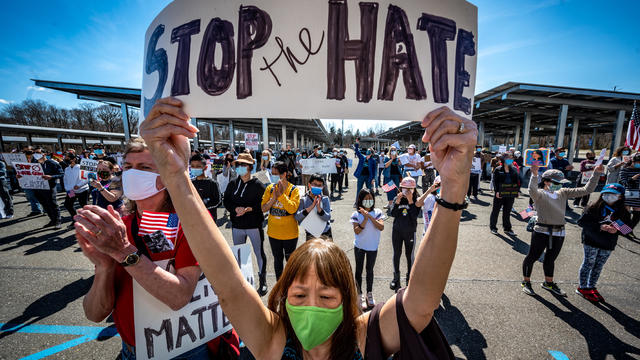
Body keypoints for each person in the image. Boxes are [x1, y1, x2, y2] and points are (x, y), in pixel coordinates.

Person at [141, 98, 475, 360]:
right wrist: (175, 176)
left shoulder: (364, 338)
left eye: (327, 296)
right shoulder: (273, 339)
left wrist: (454, 185)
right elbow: (227, 284)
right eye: (299, 295)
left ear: (348, 301)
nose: (311, 307)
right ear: (283, 298)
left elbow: (421, 302)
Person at [75, 138, 212, 359]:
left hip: (184, 350)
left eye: (144, 167)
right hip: (131, 349)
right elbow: (94, 313)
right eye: (128, 167)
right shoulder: (120, 226)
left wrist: (123, 252)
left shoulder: (190, 223)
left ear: (166, 175)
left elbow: (179, 297)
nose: (132, 174)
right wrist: (103, 266)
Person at [522, 162, 603, 296]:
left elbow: (586, 190)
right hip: (542, 230)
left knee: (550, 258)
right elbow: (532, 191)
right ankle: (526, 282)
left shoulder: (563, 192)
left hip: (559, 231)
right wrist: (534, 175)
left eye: (561, 182)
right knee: (533, 256)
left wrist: (596, 174)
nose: (560, 184)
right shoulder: (540, 193)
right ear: (546, 181)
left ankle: (548, 283)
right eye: (556, 182)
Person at [576, 183, 630, 302]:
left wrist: (616, 228)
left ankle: (591, 286)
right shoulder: (593, 207)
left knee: (599, 265)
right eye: (606, 193)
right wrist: (599, 227)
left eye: (613, 194)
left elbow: (627, 230)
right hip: (591, 240)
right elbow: (581, 222)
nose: (609, 196)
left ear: (620, 197)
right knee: (588, 263)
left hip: (608, 243)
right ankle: (582, 287)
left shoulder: (623, 211)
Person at [224, 152, 269, 296]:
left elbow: (264, 204)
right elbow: (226, 201)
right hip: (237, 225)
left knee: (258, 253)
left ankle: (262, 281)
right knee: (238, 254)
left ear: (250, 167)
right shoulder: (232, 184)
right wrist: (234, 208)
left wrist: (251, 209)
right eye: (238, 165)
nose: (240, 167)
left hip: (254, 225)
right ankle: (242, 281)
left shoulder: (258, 185)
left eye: (243, 165)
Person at [261, 161, 301, 280]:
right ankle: (279, 283)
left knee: (290, 262)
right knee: (277, 260)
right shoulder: (269, 188)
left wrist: (281, 196)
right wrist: (274, 197)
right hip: (273, 233)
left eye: (275, 174)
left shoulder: (293, 190)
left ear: (284, 174)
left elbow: (292, 209)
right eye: (272, 173)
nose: (273, 176)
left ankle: (290, 284)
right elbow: (264, 208)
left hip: (290, 234)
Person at [350, 188, 384, 311]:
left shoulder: (378, 212)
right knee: (358, 270)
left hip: (373, 247)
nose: (368, 201)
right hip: (359, 246)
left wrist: (369, 216)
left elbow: (381, 227)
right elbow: (357, 231)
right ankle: (359, 294)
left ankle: (369, 293)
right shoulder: (356, 215)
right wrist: (364, 219)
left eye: (370, 198)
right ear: (360, 200)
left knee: (370, 270)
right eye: (366, 199)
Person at [389, 177, 421, 291]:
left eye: (410, 189)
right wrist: (397, 202)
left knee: (409, 256)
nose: (407, 191)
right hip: (397, 231)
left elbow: (415, 215)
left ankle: (409, 278)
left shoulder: (417, 200)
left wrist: (411, 201)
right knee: (396, 254)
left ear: (414, 189)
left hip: (410, 232)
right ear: (401, 188)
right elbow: (392, 213)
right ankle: (396, 278)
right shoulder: (397, 198)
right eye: (404, 188)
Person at [29, 148, 64, 228]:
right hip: (38, 188)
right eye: (34, 153)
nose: (35, 154)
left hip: (50, 187)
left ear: (44, 154)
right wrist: (21, 176)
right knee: (44, 205)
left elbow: (61, 174)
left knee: (52, 204)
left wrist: (51, 177)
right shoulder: (34, 163)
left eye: (37, 152)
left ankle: (58, 221)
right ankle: (52, 220)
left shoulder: (52, 163)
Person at [490, 153, 520, 236]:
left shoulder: (514, 169)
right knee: (495, 211)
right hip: (500, 193)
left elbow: (517, 181)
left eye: (511, 158)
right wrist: (497, 191)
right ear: (503, 159)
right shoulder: (498, 169)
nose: (511, 159)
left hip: (510, 193)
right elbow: (495, 181)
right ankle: (493, 227)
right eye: (508, 158)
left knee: (507, 212)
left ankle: (507, 228)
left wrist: (517, 191)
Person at [295, 173, 332, 240]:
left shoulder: (325, 199)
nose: (317, 187)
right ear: (309, 185)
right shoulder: (303, 199)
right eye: (314, 184)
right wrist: (311, 207)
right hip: (311, 235)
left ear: (322, 187)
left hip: (325, 234)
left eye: (319, 185)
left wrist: (319, 209)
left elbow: (328, 217)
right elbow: (297, 217)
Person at [189, 154, 221, 221]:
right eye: (192, 166)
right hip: (194, 218)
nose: (195, 168)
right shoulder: (190, 183)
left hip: (209, 219)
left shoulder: (212, 183)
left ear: (205, 168)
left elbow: (218, 201)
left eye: (198, 166)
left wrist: (203, 206)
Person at [63, 153, 89, 226]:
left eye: (68, 158)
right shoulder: (67, 169)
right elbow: (65, 180)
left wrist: (79, 185)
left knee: (84, 205)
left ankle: (88, 220)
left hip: (82, 190)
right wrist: (67, 188)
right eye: (65, 158)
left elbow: (86, 178)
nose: (66, 159)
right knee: (68, 204)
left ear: (74, 159)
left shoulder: (81, 167)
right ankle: (75, 219)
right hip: (71, 191)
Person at [619, 153, 640, 230]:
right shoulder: (625, 170)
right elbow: (624, 183)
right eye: (638, 163)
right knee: (626, 215)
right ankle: (624, 230)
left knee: (637, 216)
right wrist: (633, 178)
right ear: (632, 161)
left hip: (639, 195)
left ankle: (629, 230)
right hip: (629, 194)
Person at [21, 146, 43, 216]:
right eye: (25, 151)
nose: (27, 152)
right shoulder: (21, 159)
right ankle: (36, 210)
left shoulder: (38, 158)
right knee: (30, 196)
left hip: (38, 180)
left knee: (42, 196)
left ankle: (46, 209)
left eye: (29, 151)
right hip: (27, 180)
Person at [353, 139, 376, 205]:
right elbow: (357, 151)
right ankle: (357, 202)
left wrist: (373, 179)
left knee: (369, 190)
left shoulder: (373, 161)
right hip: (361, 176)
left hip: (369, 177)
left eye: (369, 154)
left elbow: (374, 170)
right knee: (359, 190)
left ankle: (370, 202)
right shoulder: (362, 157)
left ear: (371, 154)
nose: (367, 155)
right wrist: (357, 144)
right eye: (367, 154)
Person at [382, 146, 402, 210]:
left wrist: (399, 162)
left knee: (396, 190)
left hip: (396, 176)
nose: (393, 151)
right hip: (389, 176)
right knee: (390, 190)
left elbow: (401, 166)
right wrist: (391, 159)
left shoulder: (398, 158)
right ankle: (390, 204)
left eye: (394, 150)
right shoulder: (386, 157)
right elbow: (385, 165)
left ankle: (394, 204)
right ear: (390, 151)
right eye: (392, 150)